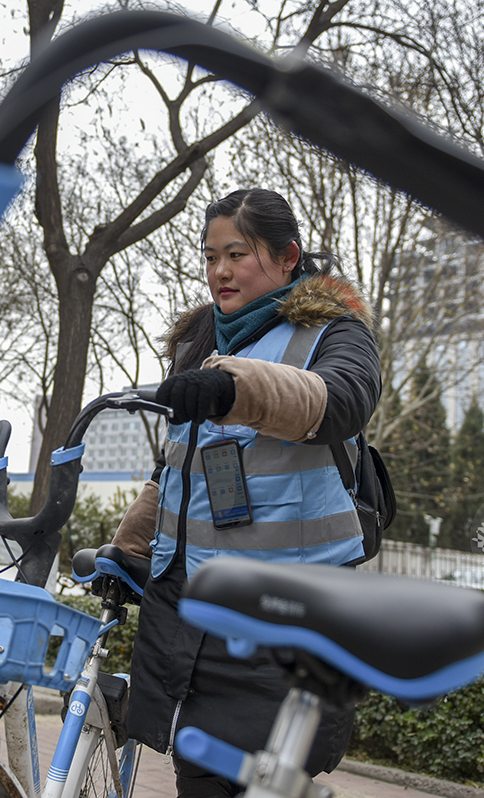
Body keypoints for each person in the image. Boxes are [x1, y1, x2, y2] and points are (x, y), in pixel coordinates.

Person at [111, 188, 381, 797]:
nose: (220, 271)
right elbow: (179, 468)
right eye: (209, 257)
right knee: (200, 778)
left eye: (238, 253)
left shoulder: (337, 333)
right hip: (196, 613)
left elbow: (340, 401)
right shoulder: (200, 340)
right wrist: (129, 549)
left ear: (288, 258)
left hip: (285, 621)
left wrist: (237, 389)